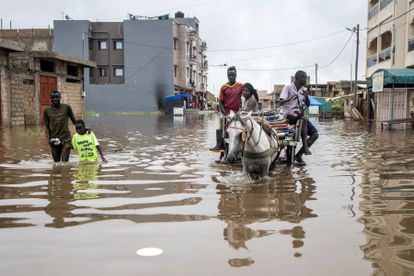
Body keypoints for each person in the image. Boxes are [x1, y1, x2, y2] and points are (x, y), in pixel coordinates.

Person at [279, 70, 318, 165]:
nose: (305, 80)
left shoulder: (303, 90)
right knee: (303, 118)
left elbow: (307, 105)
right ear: (297, 78)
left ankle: (298, 155)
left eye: (306, 77)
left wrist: (306, 97)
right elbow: (281, 102)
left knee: (315, 134)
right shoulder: (287, 88)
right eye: (303, 77)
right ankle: (305, 146)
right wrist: (292, 98)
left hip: (299, 115)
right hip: (288, 115)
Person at [209, 66, 243, 163]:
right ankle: (221, 153)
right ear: (227, 76)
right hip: (226, 112)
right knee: (224, 131)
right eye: (229, 75)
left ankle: (240, 153)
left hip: (237, 113)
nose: (231, 77)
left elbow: (246, 93)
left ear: (236, 75)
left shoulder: (240, 86)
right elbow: (220, 102)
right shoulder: (224, 87)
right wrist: (225, 113)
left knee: (240, 132)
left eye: (232, 75)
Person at [44, 90, 76, 162]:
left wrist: (84, 129)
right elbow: (47, 127)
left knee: (64, 163)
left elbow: (74, 121)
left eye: (57, 97)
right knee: (56, 163)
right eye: (53, 97)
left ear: (60, 97)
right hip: (54, 139)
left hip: (66, 139)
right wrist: (49, 140)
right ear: (50, 98)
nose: (55, 99)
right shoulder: (47, 111)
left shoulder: (66, 108)